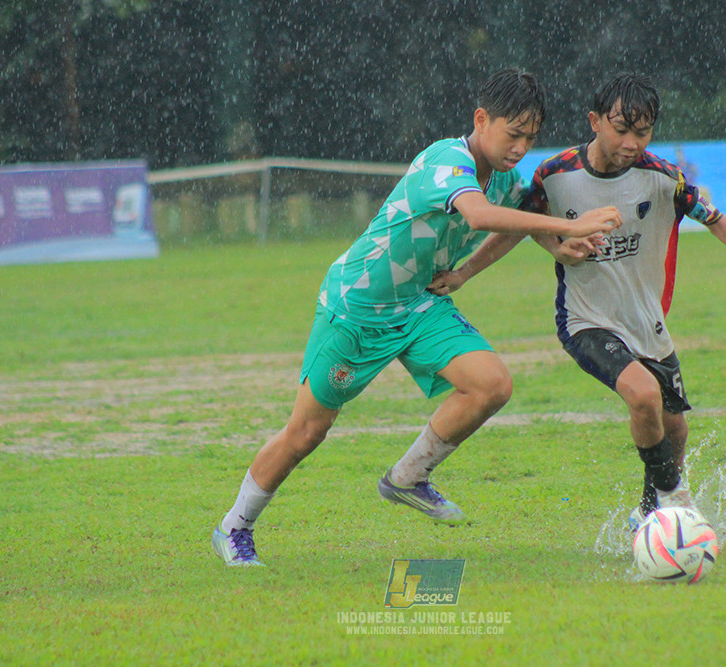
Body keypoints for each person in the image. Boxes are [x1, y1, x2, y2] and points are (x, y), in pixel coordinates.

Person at [211, 68, 623, 566]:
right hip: (358, 308)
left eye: (530, 138)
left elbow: (516, 221)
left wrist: (525, 255)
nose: (520, 148)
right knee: (306, 432)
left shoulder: (506, 179)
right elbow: (480, 215)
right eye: (513, 134)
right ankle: (234, 527)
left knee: (491, 384)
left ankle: (407, 477)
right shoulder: (446, 160)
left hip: (420, 303)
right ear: (481, 119)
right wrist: (569, 227)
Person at [428, 72, 726, 532]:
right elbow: (521, 227)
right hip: (586, 319)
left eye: (643, 132)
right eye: (622, 129)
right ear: (595, 121)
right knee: (642, 394)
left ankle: (650, 511)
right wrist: (470, 271)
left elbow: (715, 219)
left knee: (675, 427)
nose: (632, 143)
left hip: (647, 322)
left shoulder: (663, 178)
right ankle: (675, 502)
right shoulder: (556, 175)